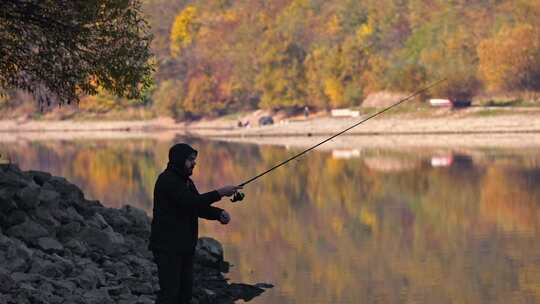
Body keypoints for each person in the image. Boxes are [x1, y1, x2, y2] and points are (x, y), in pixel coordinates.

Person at [149, 143, 242, 304]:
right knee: (169, 294)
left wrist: (218, 214)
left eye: (194, 159)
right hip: (167, 247)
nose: (194, 163)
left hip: (184, 246)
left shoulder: (186, 182)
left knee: (185, 294)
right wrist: (220, 193)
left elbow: (197, 207)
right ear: (179, 160)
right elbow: (190, 202)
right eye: (190, 159)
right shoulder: (168, 181)